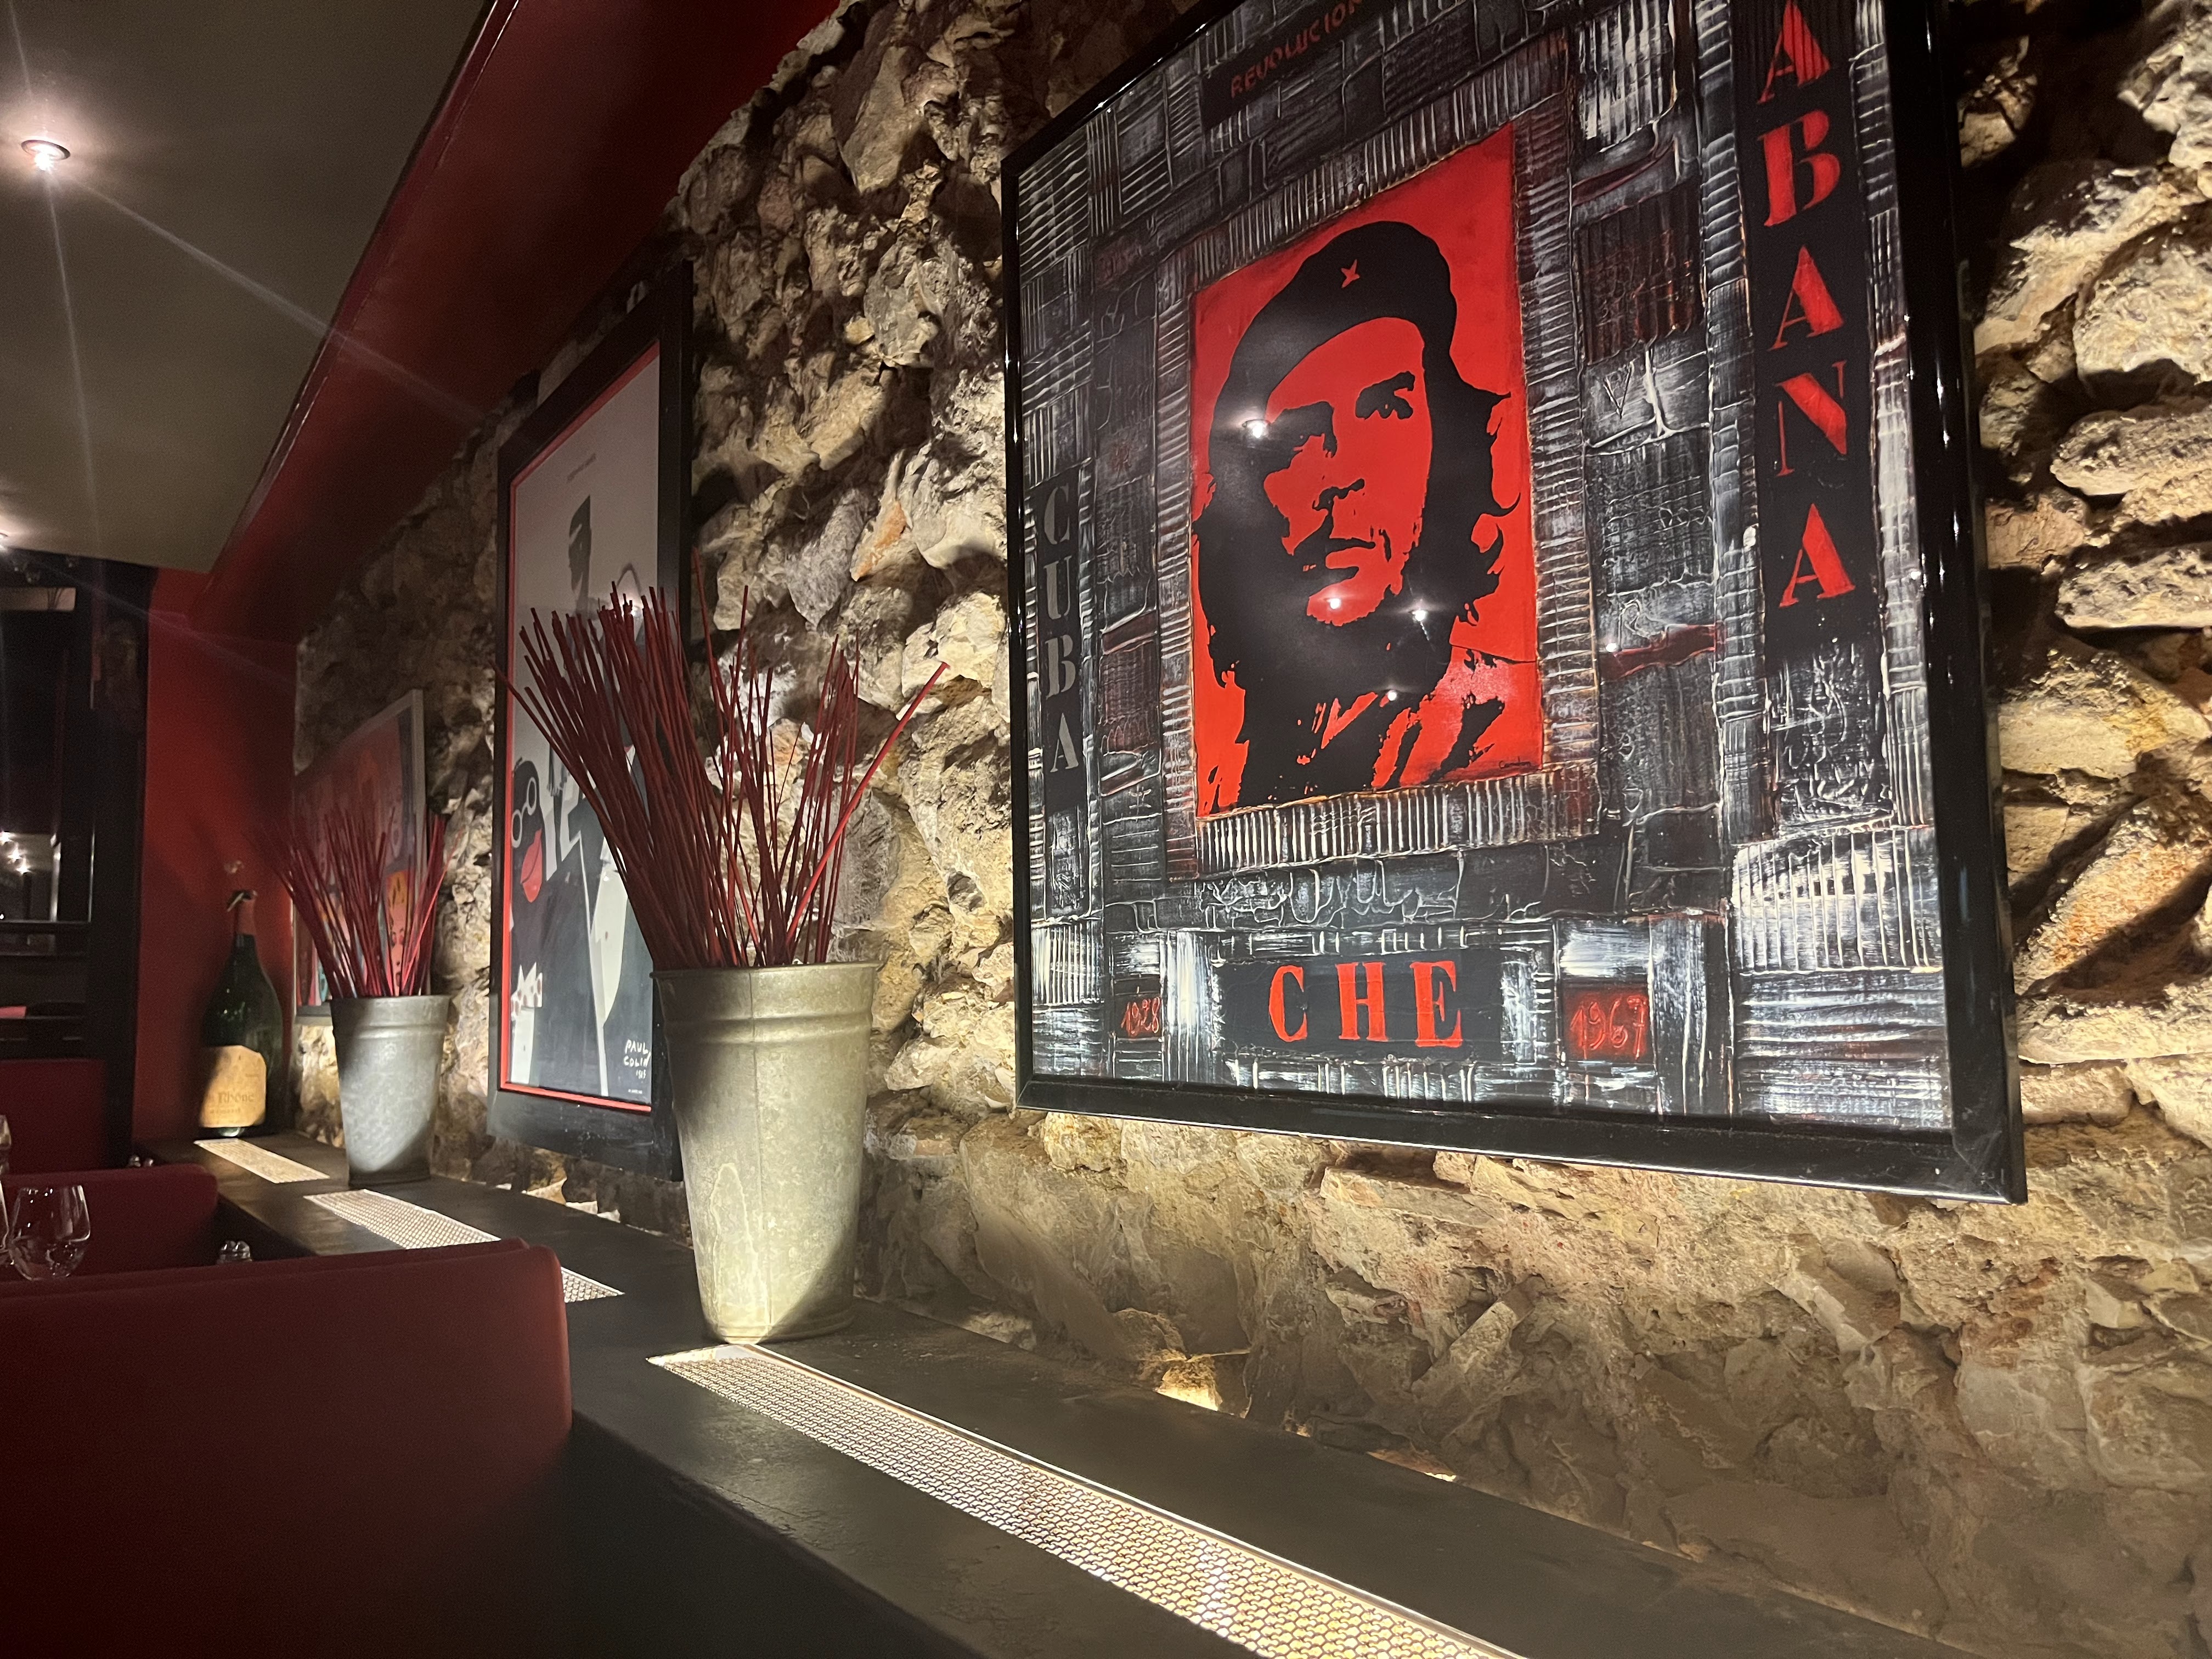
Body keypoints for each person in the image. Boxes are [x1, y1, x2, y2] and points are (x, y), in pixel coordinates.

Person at [1194, 218, 1539, 809]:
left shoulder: (1486, 723)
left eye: (1385, 410)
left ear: (1444, 438)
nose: (1341, 474)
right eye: (1298, 437)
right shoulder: (1228, 767)